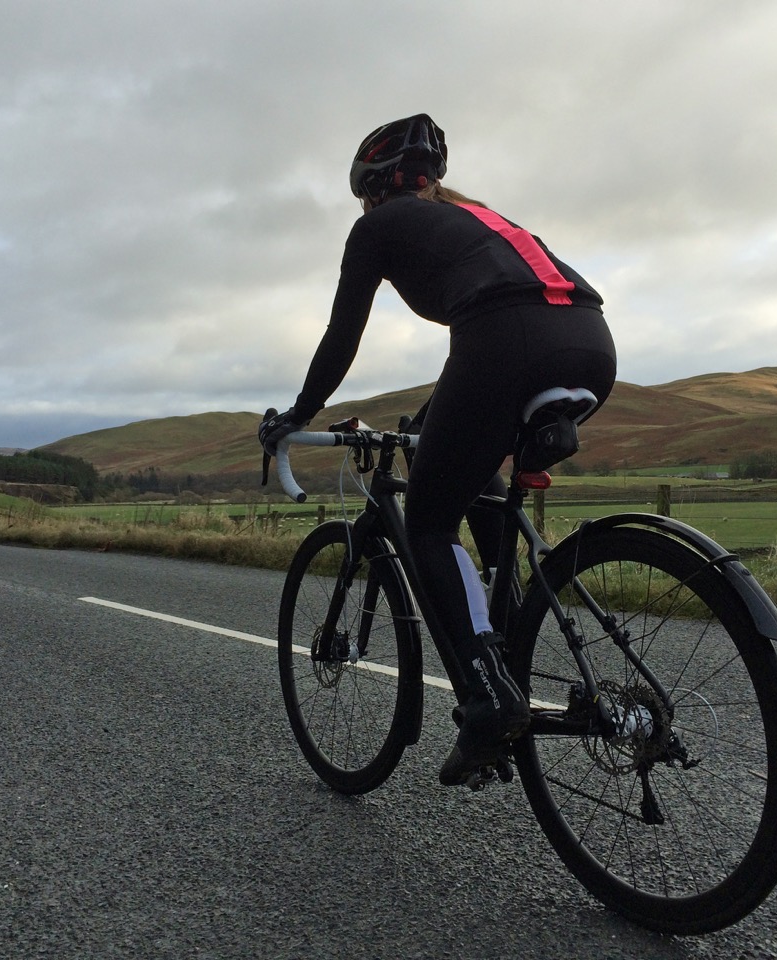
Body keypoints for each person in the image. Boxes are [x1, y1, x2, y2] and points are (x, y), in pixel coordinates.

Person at [260, 113, 617, 787]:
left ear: (372, 190)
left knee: (427, 521)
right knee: (460, 466)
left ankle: (487, 696)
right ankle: (505, 632)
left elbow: (342, 337)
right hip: (591, 344)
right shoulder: (480, 217)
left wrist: (297, 416)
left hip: (505, 340)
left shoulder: (377, 226)